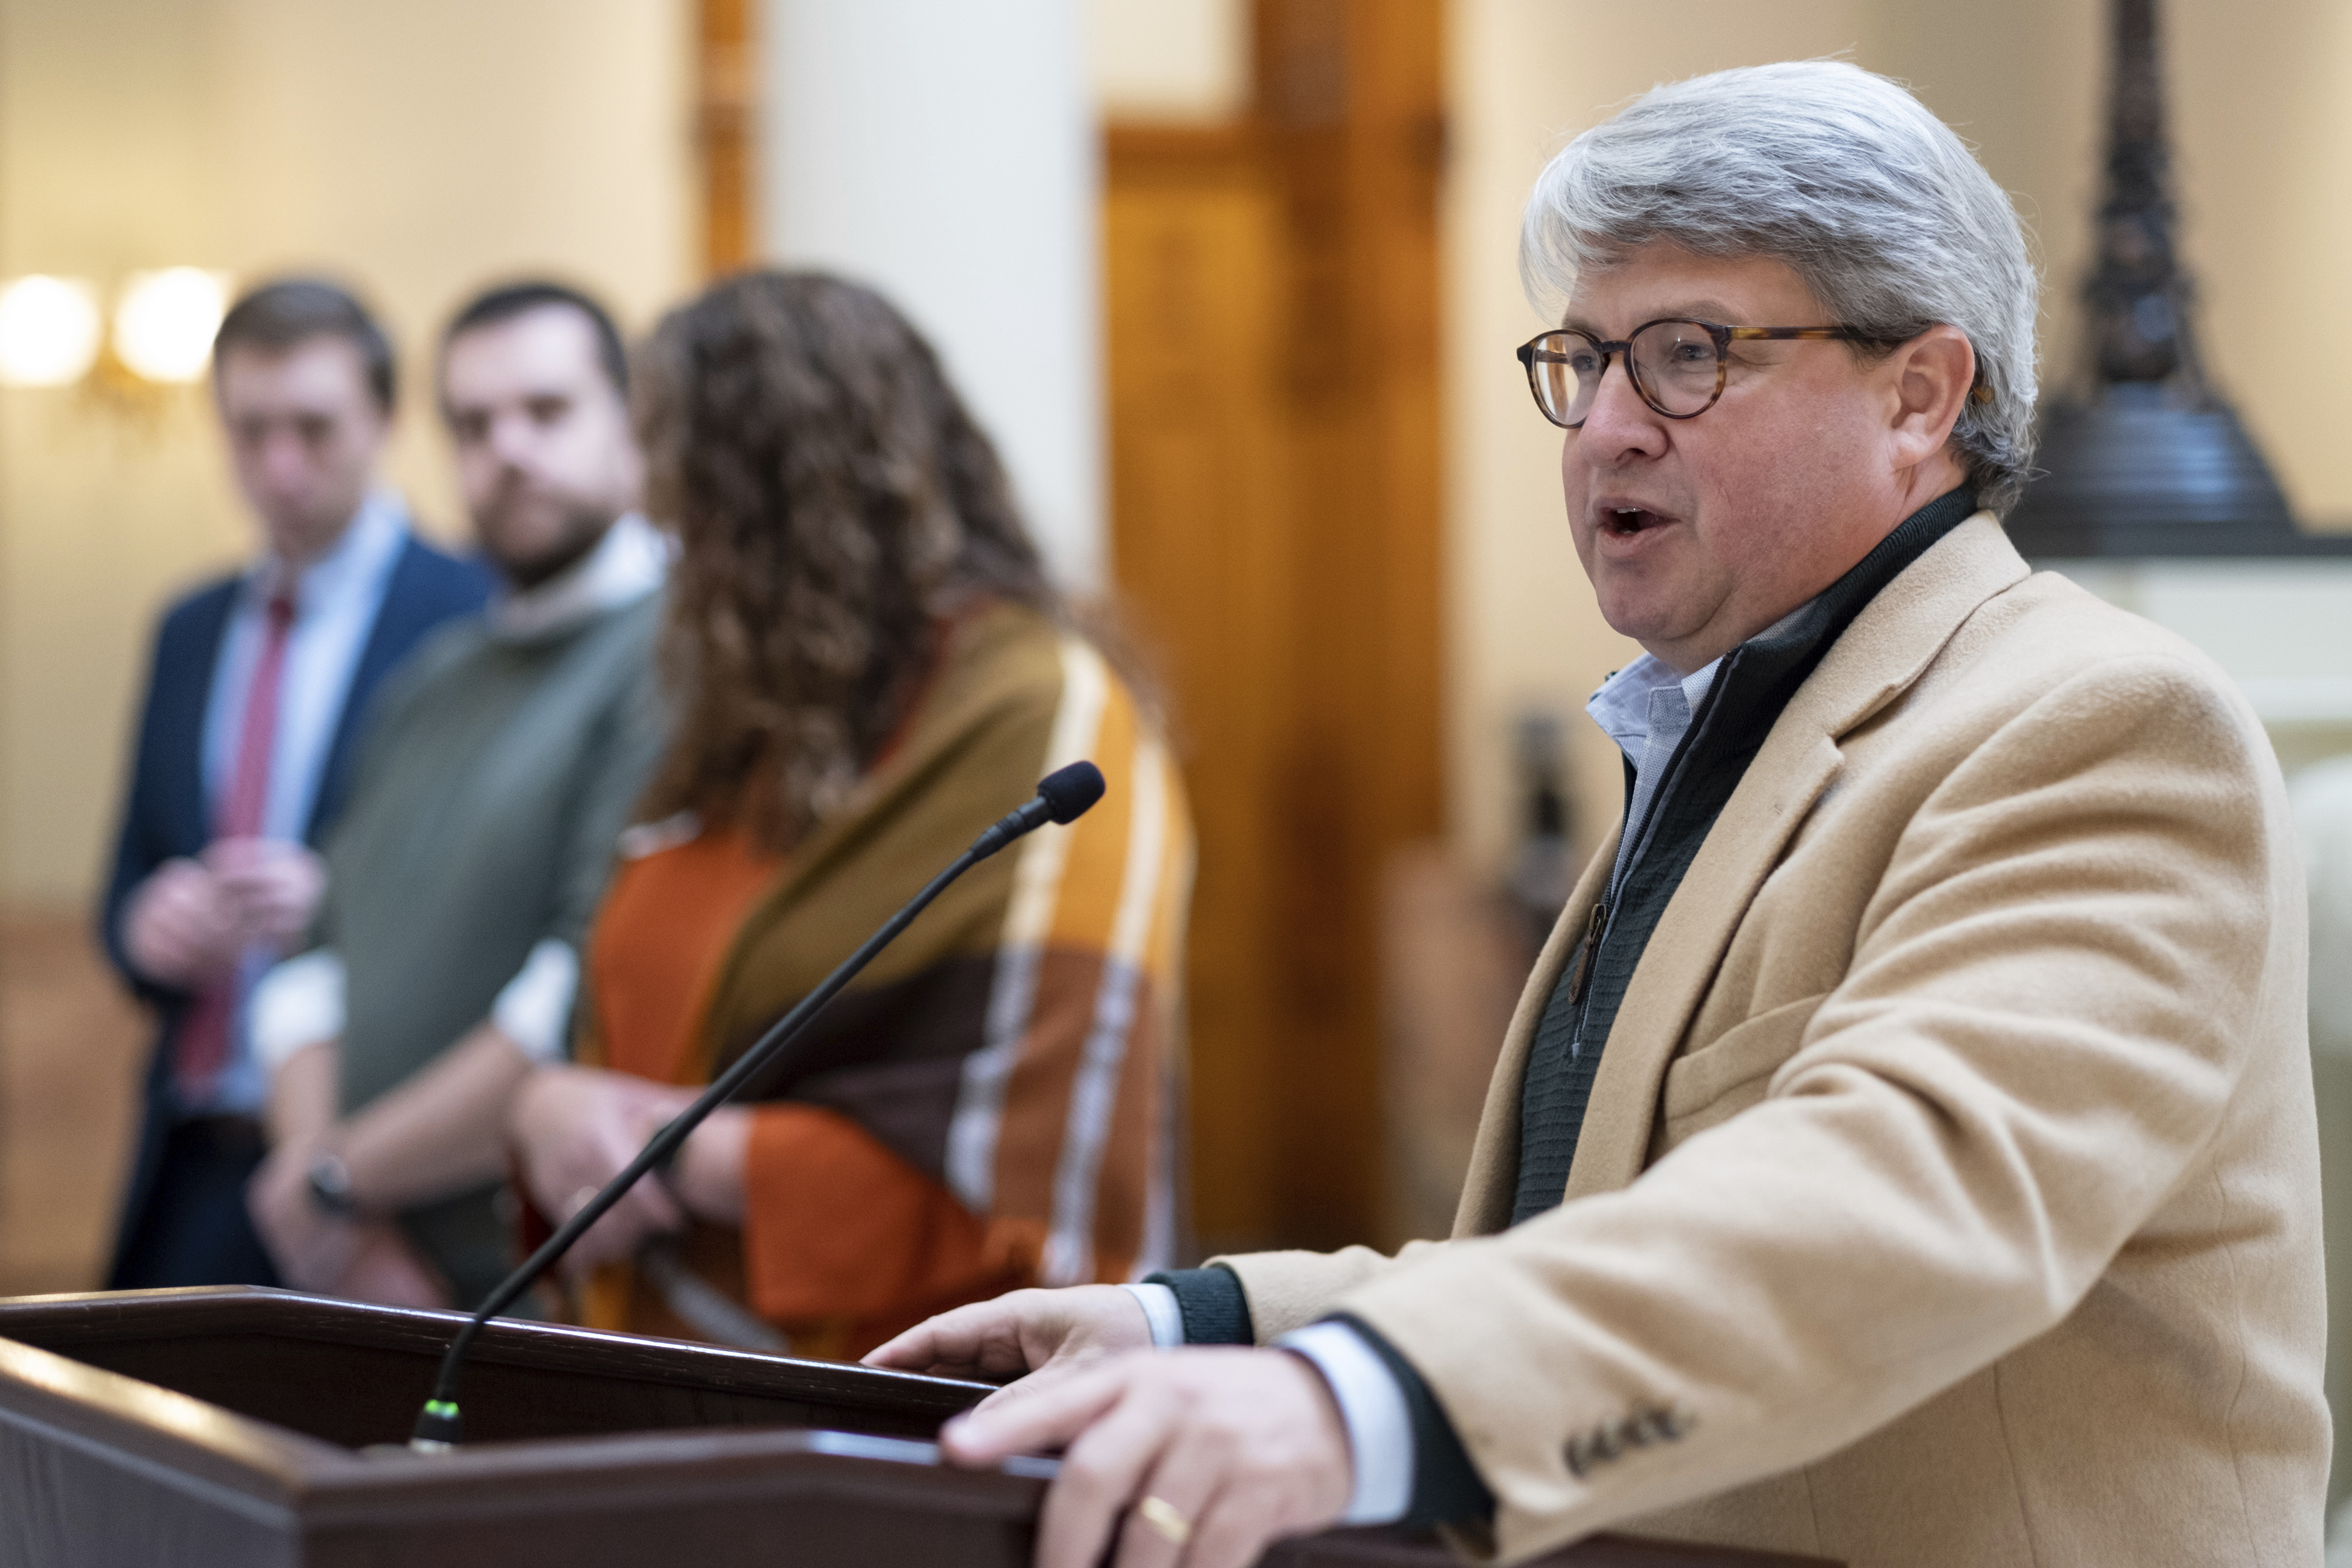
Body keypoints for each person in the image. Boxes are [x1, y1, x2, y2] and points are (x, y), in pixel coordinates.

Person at [868, 61, 2328, 1568]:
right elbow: (1577, 1254)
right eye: (1583, 358)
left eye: (1686, 356)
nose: (1605, 429)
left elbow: (1894, 1197)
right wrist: (1204, 1322)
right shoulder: (1718, 721)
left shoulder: (2091, 726)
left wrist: (1357, 1401)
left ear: (1918, 394)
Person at [504, 270, 1194, 1362]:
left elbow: (1029, 1178)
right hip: (652, 1369)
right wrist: (545, 1107)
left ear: (786, 503)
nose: (655, 525)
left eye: (690, 495)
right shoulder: (750, 717)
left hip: (906, 1407)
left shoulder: (1041, 713)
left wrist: (661, 1152)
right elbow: (633, 1013)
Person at [235, 281, 670, 1312]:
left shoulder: (669, 653)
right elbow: (312, 961)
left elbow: (573, 998)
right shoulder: (438, 676)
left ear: (633, 426)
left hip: (524, 1289)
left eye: (548, 411)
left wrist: (342, 1182)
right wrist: (327, 1203)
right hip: (361, 1273)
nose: (508, 450)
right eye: (473, 425)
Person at [102, 279, 493, 1291]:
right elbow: (130, 870)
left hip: (378, 1167)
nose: (280, 465)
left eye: (314, 428)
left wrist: (345, 911)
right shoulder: (187, 628)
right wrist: (147, 922)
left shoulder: (475, 616)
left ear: (385, 420)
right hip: (192, 1144)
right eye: (250, 431)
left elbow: (505, 900)